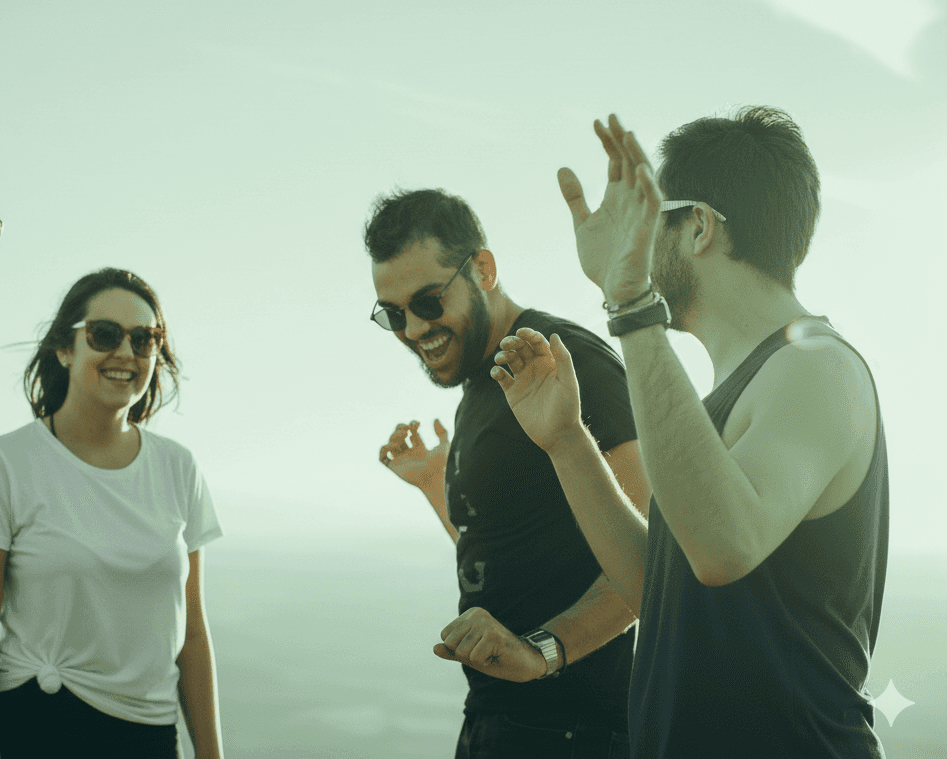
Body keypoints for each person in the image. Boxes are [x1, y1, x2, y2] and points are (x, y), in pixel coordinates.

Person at [492, 109, 887, 757]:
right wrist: (566, 441)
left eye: (652, 221)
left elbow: (723, 546)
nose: (636, 246)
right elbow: (666, 589)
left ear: (698, 225)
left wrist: (630, 301)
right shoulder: (734, 394)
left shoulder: (819, 366)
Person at [366, 189, 651, 759]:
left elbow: (651, 559)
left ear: (483, 269)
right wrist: (434, 485)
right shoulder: (480, 382)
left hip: (576, 731)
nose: (414, 330)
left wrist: (542, 652)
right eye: (393, 314)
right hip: (499, 721)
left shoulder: (562, 361)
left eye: (427, 302)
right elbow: (511, 552)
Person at [0, 267, 224, 759]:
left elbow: (193, 636)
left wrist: (211, 754)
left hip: (152, 738)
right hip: (39, 728)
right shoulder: (5, 463)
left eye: (144, 339)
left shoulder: (178, 467)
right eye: (104, 335)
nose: (125, 353)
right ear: (64, 348)